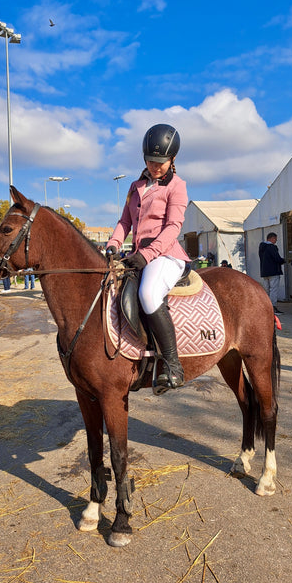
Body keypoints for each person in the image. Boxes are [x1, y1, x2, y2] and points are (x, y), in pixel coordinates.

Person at [105, 123, 189, 394]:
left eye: (161, 162)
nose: (156, 167)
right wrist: (113, 244)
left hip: (165, 255)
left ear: (172, 159)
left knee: (149, 294)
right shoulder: (135, 186)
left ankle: (172, 365)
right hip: (138, 255)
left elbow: (173, 227)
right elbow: (124, 221)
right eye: (151, 161)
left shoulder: (177, 187)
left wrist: (147, 255)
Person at [258, 232, 286, 314]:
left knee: (267, 290)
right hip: (274, 271)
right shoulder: (272, 247)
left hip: (264, 272)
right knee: (273, 290)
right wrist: (283, 260)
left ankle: (266, 307)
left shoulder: (261, 247)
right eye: (275, 239)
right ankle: (273, 307)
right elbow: (277, 258)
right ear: (272, 238)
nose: (276, 241)